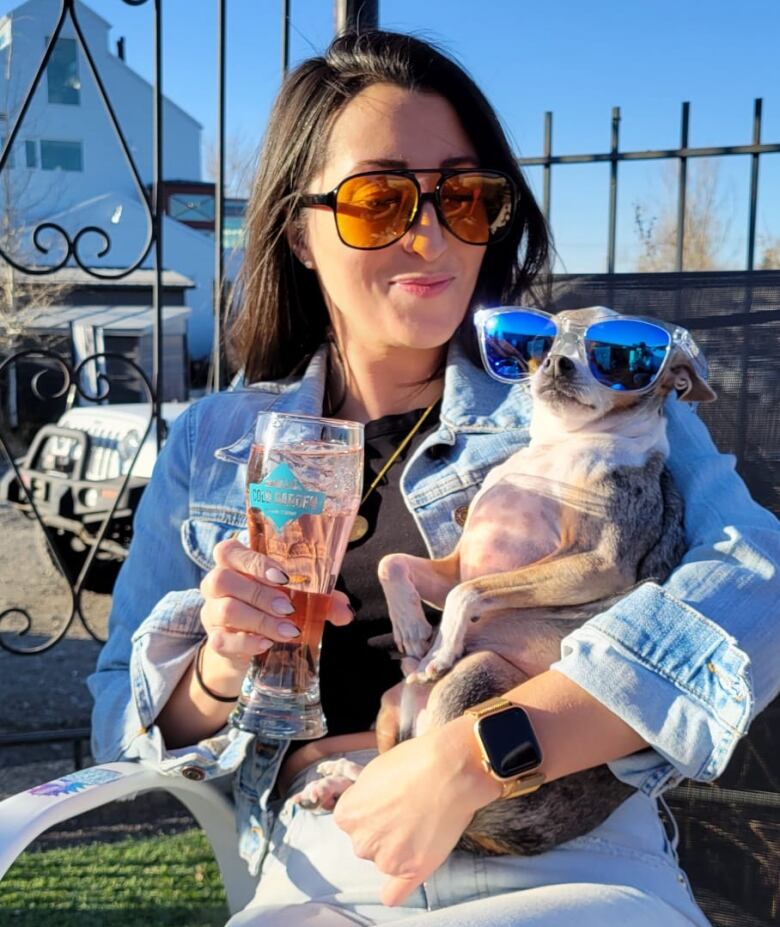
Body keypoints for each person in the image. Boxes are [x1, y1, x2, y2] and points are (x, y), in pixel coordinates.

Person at [88, 30, 780, 927]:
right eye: (380, 200)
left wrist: (473, 754)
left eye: (463, 196)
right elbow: (124, 727)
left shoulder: (586, 389)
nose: (430, 232)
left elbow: (760, 581)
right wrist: (218, 667)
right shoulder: (216, 441)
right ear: (300, 232)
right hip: (332, 854)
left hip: (571, 851)